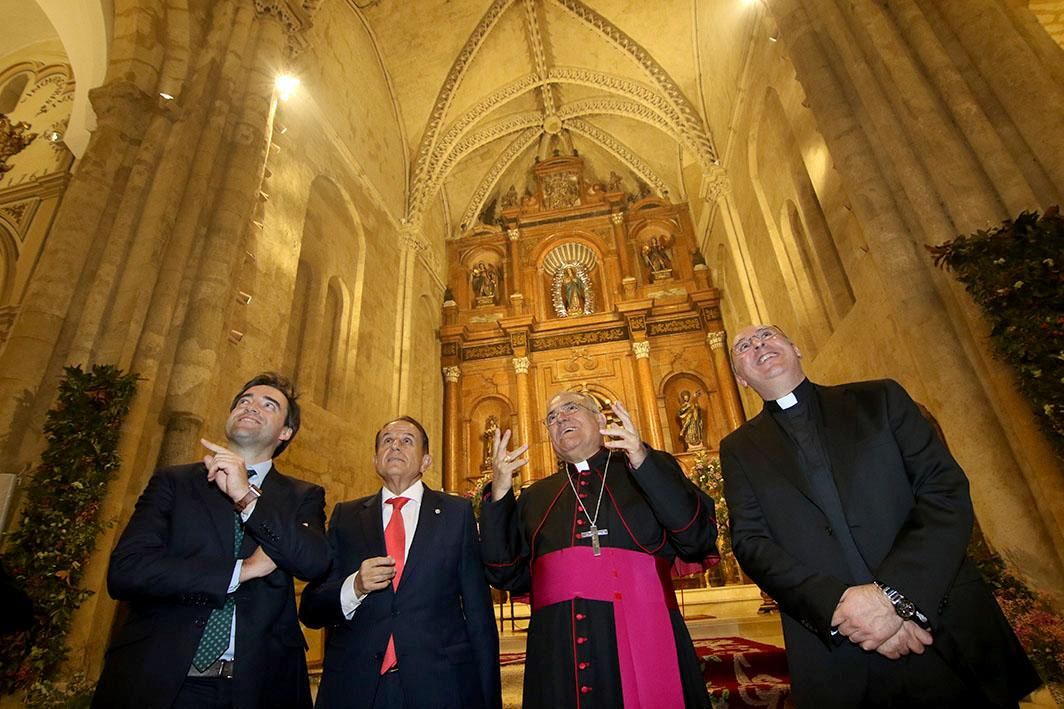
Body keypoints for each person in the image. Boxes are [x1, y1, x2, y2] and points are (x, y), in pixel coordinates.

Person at [720, 324, 1041, 708]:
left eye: (768, 335)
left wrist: (895, 597)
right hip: (840, 653)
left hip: (942, 624)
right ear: (740, 377)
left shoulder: (879, 398)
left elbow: (942, 492)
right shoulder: (738, 449)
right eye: (743, 345)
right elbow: (751, 542)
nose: (758, 345)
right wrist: (838, 604)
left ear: (796, 347)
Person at [93, 373, 330, 709]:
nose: (250, 406)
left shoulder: (302, 496)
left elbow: (313, 561)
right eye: (243, 401)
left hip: (257, 685)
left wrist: (246, 498)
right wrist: (241, 571)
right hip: (160, 676)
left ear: (285, 432)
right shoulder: (174, 482)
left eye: (269, 404)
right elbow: (127, 571)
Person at [480, 391, 717, 708]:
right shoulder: (536, 496)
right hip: (557, 647)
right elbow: (504, 571)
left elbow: (695, 537)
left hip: (645, 635)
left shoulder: (644, 468)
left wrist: (643, 459)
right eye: (551, 417)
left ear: (602, 419)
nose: (560, 418)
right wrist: (499, 491)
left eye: (571, 408)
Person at [300, 416, 501, 709]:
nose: (395, 446)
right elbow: (311, 608)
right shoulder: (346, 517)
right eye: (387, 441)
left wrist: (488, 696)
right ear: (375, 460)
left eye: (407, 440)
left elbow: (478, 613)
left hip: (438, 684)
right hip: (358, 686)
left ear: (426, 461)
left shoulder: (456, 515)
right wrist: (354, 587)